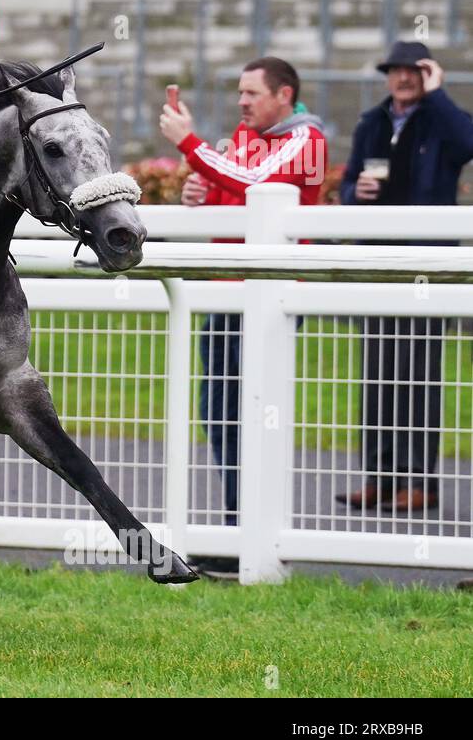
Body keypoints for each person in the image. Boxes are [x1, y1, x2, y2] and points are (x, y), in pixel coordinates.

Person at [160, 56, 326, 577]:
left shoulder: (308, 141)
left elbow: (254, 181)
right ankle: (236, 531)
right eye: (240, 92)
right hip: (227, 295)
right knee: (221, 416)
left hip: (265, 299)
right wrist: (200, 191)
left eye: (252, 93)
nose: (242, 101)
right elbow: (228, 186)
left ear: (284, 96)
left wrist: (190, 144)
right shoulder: (243, 135)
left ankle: (251, 537)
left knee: (252, 417)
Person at [337, 42, 473, 512]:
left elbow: (467, 144)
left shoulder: (442, 119)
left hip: (426, 267)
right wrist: (359, 191)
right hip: (377, 264)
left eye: (414, 72)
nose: (404, 79)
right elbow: (348, 184)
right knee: (377, 374)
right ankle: (378, 475)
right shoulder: (372, 123)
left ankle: (419, 481)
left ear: (427, 75)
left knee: (418, 376)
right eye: (397, 71)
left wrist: (439, 96)